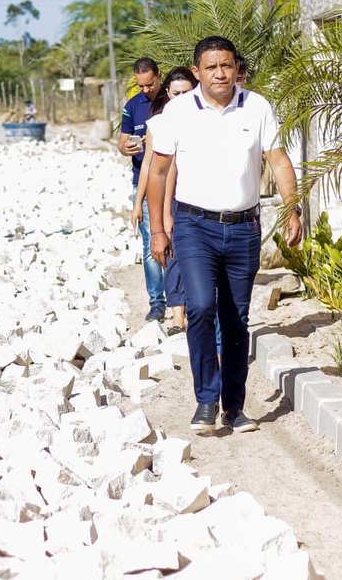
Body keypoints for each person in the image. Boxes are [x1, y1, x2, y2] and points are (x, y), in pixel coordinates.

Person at [146, 36, 303, 434]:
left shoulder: (257, 106)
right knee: (199, 307)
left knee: (236, 319)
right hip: (193, 226)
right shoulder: (178, 112)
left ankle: (234, 407)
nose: (220, 73)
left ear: (237, 69)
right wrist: (159, 230)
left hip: (243, 228)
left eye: (227, 65)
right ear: (197, 72)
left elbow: (278, 159)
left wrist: (292, 207)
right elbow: (159, 173)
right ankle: (205, 400)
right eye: (211, 67)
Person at [133, 66, 198, 332]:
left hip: (198, 198)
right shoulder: (159, 124)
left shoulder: (207, 121)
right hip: (169, 198)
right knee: (170, 255)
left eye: (187, 92)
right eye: (176, 93)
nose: (181, 98)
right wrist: (140, 203)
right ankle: (177, 316)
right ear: (167, 93)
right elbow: (150, 167)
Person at [118, 57, 165, 322]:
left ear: (159, 76)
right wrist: (127, 148)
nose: (145, 90)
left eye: (149, 84)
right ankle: (157, 302)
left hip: (173, 181)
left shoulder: (171, 102)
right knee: (149, 243)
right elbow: (122, 141)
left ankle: (181, 299)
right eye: (140, 86)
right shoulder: (132, 106)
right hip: (142, 182)